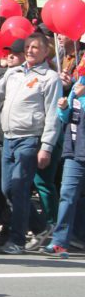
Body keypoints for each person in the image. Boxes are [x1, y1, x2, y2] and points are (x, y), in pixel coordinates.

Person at [0, 33, 60, 255]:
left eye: (36, 47)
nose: (30, 51)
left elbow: (53, 114)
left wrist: (46, 146)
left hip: (29, 139)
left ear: (46, 51)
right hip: (9, 138)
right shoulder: (14, 72)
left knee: (19, 189)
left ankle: (17, 240)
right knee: (8, 189)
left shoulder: (49, 78)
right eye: (27, 47)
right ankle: (40, 226)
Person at [43, 77, 85, 258]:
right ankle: (60, 242)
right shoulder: (78, 84)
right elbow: (66, 118)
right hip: (74, 151)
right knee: (67, 195)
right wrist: (63, 107)